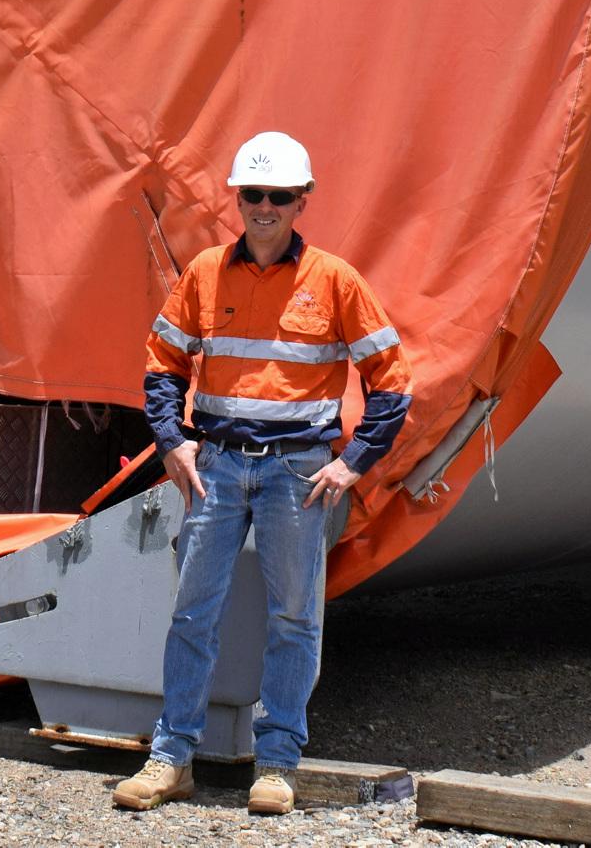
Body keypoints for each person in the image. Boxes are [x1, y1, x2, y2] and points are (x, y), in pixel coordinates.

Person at [114, 131, 413, 816]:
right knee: (194, 611)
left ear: (303, 200)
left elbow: (393, 382)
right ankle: (171, 758)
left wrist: (349, 463)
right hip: (215, 466)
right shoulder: (205, 273)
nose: (266, 207)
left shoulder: (335, 279)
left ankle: (275, 763)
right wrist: (173, 442)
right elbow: (163, 364)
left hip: (299, 472)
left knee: (295, 617)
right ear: (237, 199)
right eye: (254, 194)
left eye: (281, 195)